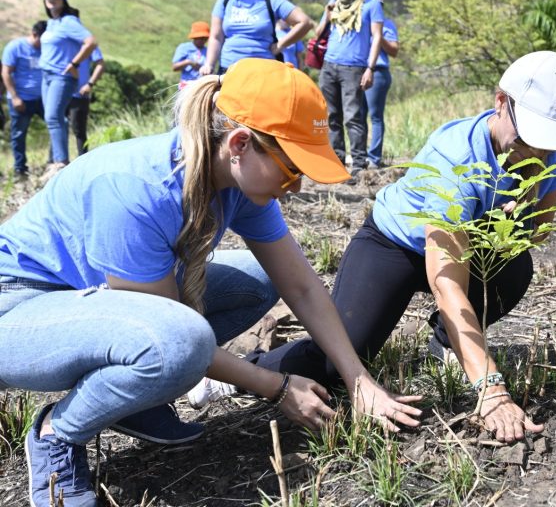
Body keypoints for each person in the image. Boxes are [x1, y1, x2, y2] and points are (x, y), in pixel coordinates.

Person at [0, 58, 422, 506]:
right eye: (291, 167)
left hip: (91, 305)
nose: (296, 186)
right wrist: (277, 387)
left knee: (257, 280)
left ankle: (135, 402)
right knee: (176, 344)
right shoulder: (134, 189)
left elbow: (300, 284)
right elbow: (175, 337)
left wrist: (359, 380)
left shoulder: (237, 183)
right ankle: (57, 433)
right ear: (240, 143)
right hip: (18, 312)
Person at [223, 51, 556, 444]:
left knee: (517, 265)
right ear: (501, 101)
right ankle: (241, 372)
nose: (536, 149)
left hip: (467, 245)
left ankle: (448, 346)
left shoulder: (552, 155)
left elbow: (537, 234)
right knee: (339, 359)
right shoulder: (457, 159)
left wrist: (522, 210)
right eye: (529, 133)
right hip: (393, 245)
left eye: (547, 138)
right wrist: (492, 390)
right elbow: (447, 284)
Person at [315, 0, 384, 182]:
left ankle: (358, 163)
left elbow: (377, 38)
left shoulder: (371, 3)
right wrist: (327, 14)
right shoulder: (334, 3)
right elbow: (317, 34)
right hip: (329, 66)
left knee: (353, 117)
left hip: (354, 68)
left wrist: (370, 68)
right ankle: (336, 161)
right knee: (331, 116)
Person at [200, 0, 311, 75]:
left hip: (262, 73)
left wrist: (281, 45)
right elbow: (216, 37)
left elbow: (305, 22)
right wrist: (209, 65)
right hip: (228, 70)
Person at [39, 0, 97, 175]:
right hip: (46, 76)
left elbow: (91, 42)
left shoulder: (69, 21)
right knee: (57, 120)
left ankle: (61, 162)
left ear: (63, 0)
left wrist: (74, 64)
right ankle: (59, 159)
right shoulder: (52, 23)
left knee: (53, 117)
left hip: (61, 77)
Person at [2, 21, 47, 177]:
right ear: (34, 35)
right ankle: (20, 168)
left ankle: (54, 162)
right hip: (21, 99)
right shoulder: (15, 47)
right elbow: (6, 73)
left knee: (59, 125)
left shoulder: (46, 48)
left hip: (42, 99)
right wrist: (15, 97)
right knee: (19, 134)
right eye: (42, 39)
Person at [361, 0, 398, 169]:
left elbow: (394, 50)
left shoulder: (388, 24)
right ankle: (360, 155)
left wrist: (378, 35)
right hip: (358, 71)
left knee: (375, 116)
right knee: (358, 115)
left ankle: (374, 158)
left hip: (379, 73)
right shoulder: (359, 22)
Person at [65, 47, 104, 157]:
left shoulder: (87, 43)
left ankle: (83, 160)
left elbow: (100, 63)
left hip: (80, 94)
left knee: (79, 131)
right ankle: (57, 161)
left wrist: (90, 84)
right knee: (57, 127)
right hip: (60, 93)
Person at [172, 21, 209, 89]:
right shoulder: (184, 48)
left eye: (205, 38)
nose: (203, 40)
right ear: (195, 37)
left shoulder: (208, 51)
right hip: (186, 86)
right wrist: (188, 62)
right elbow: (174, 67)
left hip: (202, 86)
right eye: (201, 38)